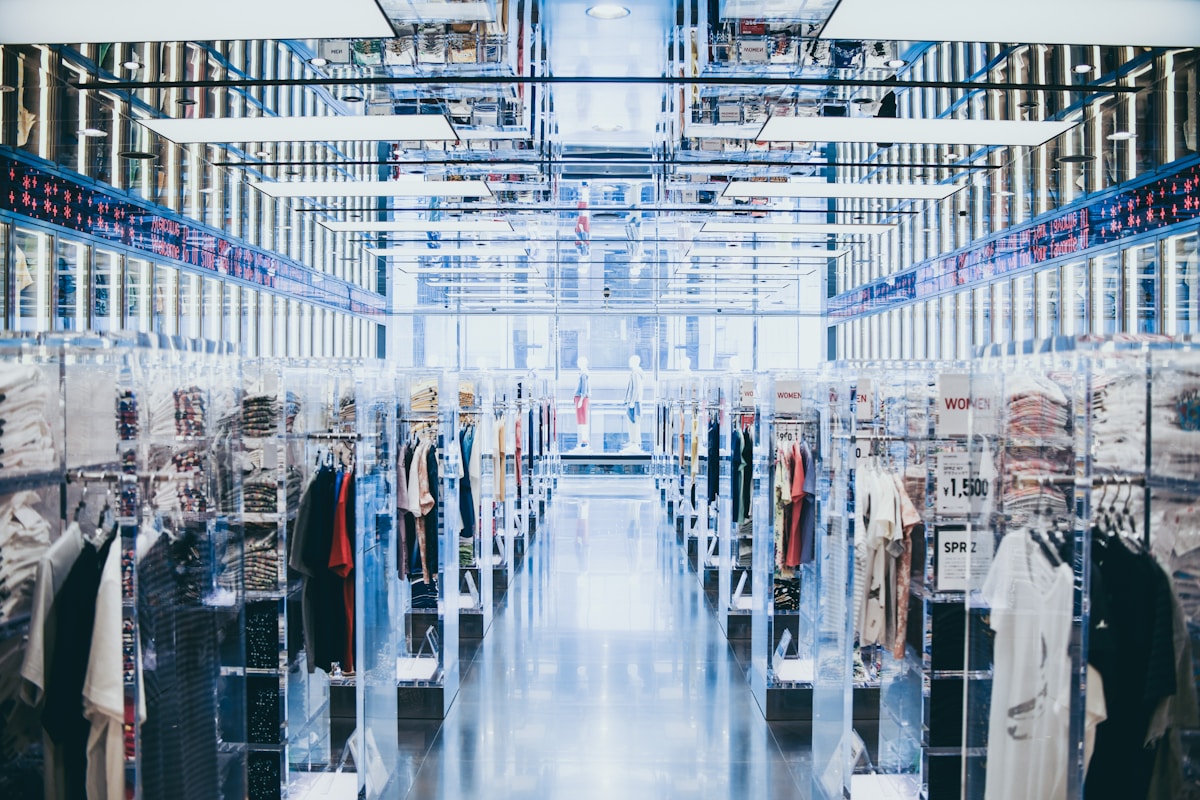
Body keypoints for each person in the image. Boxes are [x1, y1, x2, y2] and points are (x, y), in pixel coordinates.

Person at [574, 356, 591, 449]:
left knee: (583, 420)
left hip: (581, 398)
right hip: (580, 398)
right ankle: (583, 440)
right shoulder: (582, 373)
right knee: (581, 420)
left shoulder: (584, 374)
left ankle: (584, 440)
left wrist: (581, 399)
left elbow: (584, 388)